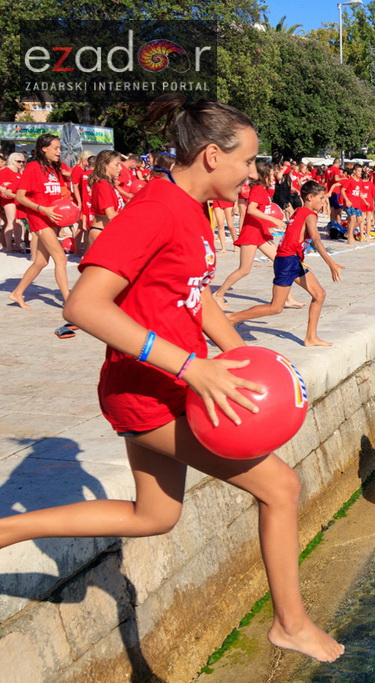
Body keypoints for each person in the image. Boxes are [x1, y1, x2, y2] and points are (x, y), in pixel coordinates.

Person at [0, 95, 344, 663]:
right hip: (146, 392)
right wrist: (192, 366)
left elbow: (196, 293)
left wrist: (246, 358)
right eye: (249, 161)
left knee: (154, 516)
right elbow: (83, 306)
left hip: (173, 385)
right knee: (281, 489)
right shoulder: (155, 209)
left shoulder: (190, 210)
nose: (255, 174)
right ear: (212, 156)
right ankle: (291, 623)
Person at [226, 181, 341, 346]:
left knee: (319, 294)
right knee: (275, 307)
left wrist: (299, 260)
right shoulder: (309, 214)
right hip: (288, 262)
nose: (323, 202)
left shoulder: (298, 212)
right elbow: (316, 240)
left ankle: (310, 338)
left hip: (291, 260)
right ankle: (232, 318)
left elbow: (292, 238)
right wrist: (331, 263)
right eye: (321, 198)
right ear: (310, 197)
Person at [212, 160, 287, 308]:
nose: (272, 178)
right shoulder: (258, 189)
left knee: (281, 262)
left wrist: (268, 228)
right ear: (263, 175)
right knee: (244, 269)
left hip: (261, 233)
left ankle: (287, 297)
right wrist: (274, 220)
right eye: (270, 175)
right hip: (252, 234)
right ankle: (218, 294)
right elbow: (251, 210)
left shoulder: (264, 190)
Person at [8, 134, 70, 311]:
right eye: (56, 148)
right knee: (61, 258)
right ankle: (68, 300)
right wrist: (43, 210)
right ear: (44, 149)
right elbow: (20, 197)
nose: (59, 152)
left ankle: (17, 292)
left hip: (53, 217)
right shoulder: (33, 167)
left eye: (60, 148)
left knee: (41, 262)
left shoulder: (54, 169)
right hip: (39, 217)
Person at [87, 150, 125, 249]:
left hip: (105, 231)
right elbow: (111, 214)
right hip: (100, 231)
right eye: (117, 165)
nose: (120, 168)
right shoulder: (103, 184)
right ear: (105, 165)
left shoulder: (107, 184)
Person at [0, 152, 27, 253]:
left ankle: (17, 245)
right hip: (9, 199)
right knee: (11, 222)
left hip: (18, 199)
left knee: (19, 222)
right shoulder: (5, 171)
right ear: (12, 161)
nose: (21, 163)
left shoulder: (21, 173)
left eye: (23, 161)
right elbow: (1, 187)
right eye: (19, 161)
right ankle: (8, 246)